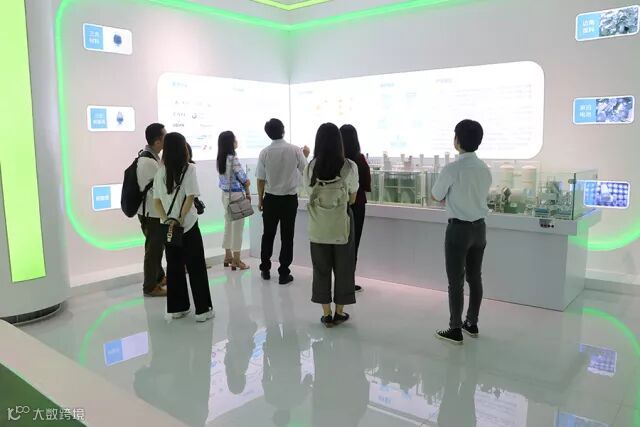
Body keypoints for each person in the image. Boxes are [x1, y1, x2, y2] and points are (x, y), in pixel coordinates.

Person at [431, 120, 492, 344]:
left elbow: (436, 195)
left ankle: (455, 328)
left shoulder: (452, 168)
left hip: (458, 230)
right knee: (475, 278)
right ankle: (471, 323)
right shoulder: (484, 168)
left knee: (455, 281)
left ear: (457, 140)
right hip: (480, 229)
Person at [153, 132, 214, 322]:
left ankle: (178, 308)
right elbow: (190, 196)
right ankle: (203, 310)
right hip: (188, 225)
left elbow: (156, 201)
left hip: (169, 228)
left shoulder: (160, 172)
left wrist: (167, 220)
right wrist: (179, 218)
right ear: (183, 148)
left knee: (174, 267)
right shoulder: (190, 169)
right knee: (196, 266)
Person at [304, 123, 359, 327]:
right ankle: (339, 312)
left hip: (318, 224)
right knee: (344, 268)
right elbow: (353, 197)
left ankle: (326, 314)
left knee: (321, 268)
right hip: (342, 223)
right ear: (339, 142)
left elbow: (309, 193)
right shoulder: (349, 166)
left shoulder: (310, 167)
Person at [256, 118, 310, 285]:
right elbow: (306, 171)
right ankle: (284, 273)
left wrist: (260, 200)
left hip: (270, 199)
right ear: (283, 130)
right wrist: (305, 155)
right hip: (289, 200)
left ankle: (265, 268)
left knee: (268, 235)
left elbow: (260, 179)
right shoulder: (295, 150)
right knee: (287, 237)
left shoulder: (264, 152)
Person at [340, 124, 371, 293]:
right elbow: (366, 184)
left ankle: (339, 279)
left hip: (337, 206)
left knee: (338, 244)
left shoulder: (336, 159)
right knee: (353, 244)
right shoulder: (359, 160)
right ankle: (348, 281)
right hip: (357, 206)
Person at [138, 123, 167, 297]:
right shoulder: (149, 161)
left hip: (151, 211)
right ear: (157, 142)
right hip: (151, 213)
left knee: (156, 248)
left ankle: (159, 277)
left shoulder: (149, 158)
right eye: (165, 137)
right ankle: (149, 286)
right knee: (153, 250)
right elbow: (160, 188)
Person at [217, 131, 251, 271]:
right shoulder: (233, 159)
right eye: (234, 139)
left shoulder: (220, 158)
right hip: (236, 196)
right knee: (238, 229)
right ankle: (236, 260)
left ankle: (228, 256)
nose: (237, 141)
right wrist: (247, 191)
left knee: (228, 225)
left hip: (225, 195)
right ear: (230, 143)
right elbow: (244, 178)